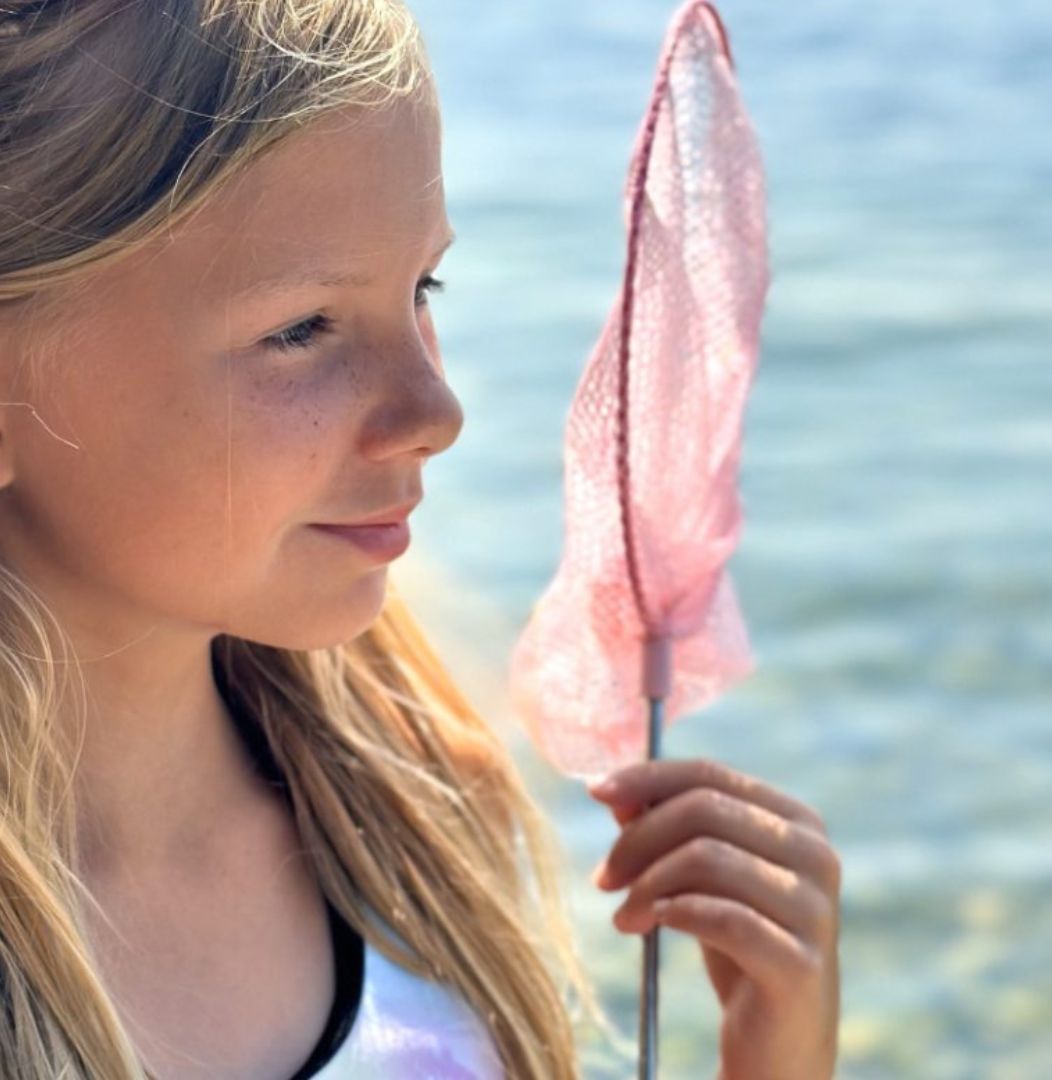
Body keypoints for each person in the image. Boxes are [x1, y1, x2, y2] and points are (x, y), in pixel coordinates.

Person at [0, 2, 841, 1078]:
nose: (436, 410)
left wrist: (776, 1054)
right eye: (299, 330)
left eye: (422, 288)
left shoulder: (415, 816)